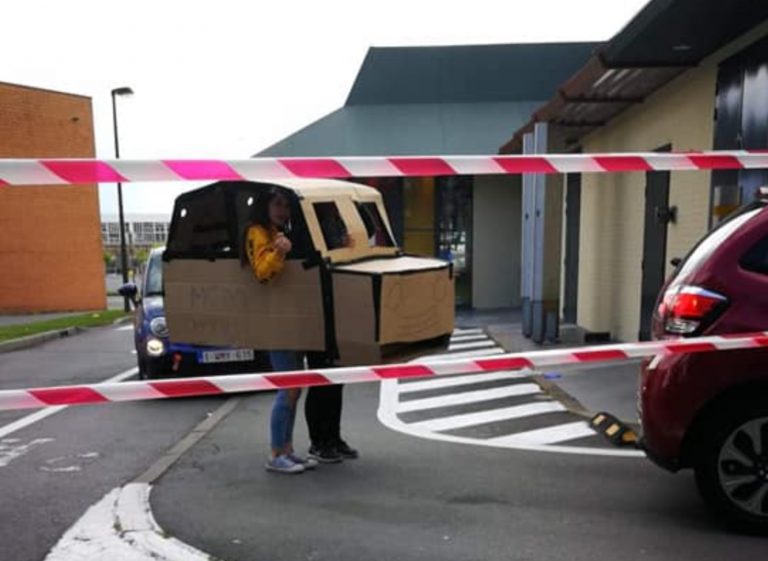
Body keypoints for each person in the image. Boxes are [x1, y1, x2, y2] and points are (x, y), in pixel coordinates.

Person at [245, 188, 317, 474]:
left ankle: (286, 449)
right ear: (264, 206)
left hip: (290, 318)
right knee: (287, 388)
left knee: (294, 389)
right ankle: (276, 453)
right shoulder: (258, 232)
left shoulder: (276, 231)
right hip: (275, 320)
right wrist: (278, 251)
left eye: (285, 205)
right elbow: (262, 272)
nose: (282, 210)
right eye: (277, 204)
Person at [305, 203, 359, 463]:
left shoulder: (336, 226)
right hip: (314, 315)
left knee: (336, 381)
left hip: (337, 312)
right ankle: (318, 441)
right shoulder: (305, 228)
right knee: (320, 383)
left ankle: (333, 438)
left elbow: (367, 229)